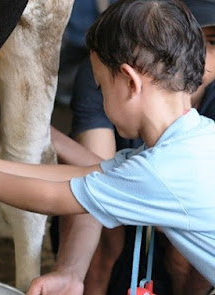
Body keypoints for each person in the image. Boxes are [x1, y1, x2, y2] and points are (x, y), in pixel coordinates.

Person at [0, 1, 215, 294]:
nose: (100, 96)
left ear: (130, 81)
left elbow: (53, 197)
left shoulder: (161, 171)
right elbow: (82, 175)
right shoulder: (190, 142)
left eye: (101, 86)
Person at [50, 0, 215, 293]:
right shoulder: (107, 67)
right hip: (125, 213)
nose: (202, 58)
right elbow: (95, 180)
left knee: (181, 255)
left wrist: (47, 137)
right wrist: (70, 271)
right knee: (106, 233)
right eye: (197, 39)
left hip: (181, 237)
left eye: (213, 42)